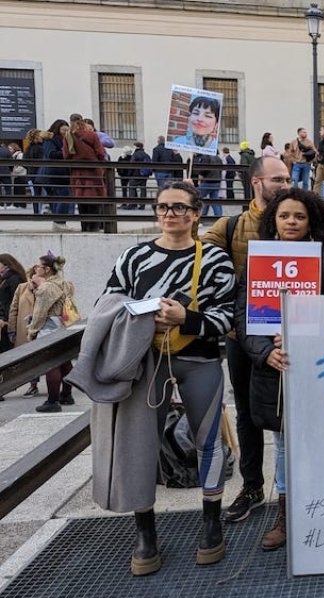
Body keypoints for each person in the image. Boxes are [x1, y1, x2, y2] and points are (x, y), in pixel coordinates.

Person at [95, 181, 235, 575]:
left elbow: (228, 316)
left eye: (179, 207)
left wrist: (185, 318)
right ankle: (145, 533)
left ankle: (210, 523)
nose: (170, 213)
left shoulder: (215, 260)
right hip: (146, 363)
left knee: (209, 442)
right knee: (141, 446)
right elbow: (108, 303)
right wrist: (141, 313)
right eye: (162, 206)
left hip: (200, 359)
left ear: (195, 213)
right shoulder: (134, 257)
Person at [238, 188, 324, 551]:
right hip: (275, 369)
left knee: (323, 443)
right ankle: (287, 518)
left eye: (299, 217)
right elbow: (244, 319)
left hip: (316, 367)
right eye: (285, 215)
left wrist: (305, 339)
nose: (291, 222)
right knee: (285, 445)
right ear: (273, 219)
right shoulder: (258, 262)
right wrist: (263, 353)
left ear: (311, 221)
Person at [202, 156, 292, 524]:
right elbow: (196, 257)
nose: (286, 184)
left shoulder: (297, 215)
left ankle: (296, 491)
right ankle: (253, 486)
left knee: (292, 414)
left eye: (288, 178)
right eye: (278, 179)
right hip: (244, 337)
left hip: (291, 336)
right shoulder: (231, 225)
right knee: (249, 413)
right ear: (257, 182)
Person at [27, 253, 76, 412]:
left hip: (50, 326)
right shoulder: (65, 283)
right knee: (65, 361)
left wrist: (32, 330)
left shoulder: (46, 287)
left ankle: (52, 401)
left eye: (37, 266)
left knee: (51, 363)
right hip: (65, 324)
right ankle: (67, 395)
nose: (35, 269)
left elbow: (40, 313)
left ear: (47, 269)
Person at [63, 116, 107, 232]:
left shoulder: (68, 136)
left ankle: (84, 227)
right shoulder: (92, 135)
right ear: (82, 122)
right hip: (93, 172)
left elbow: (66, 156)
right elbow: (101, 153)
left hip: (78, 173)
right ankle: (94, 228)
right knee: (94, 200)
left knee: (81, 201)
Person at [5, 259, 39, 397]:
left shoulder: (48, 288)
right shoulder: (22, 288)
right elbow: (13, 309)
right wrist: (11, 329)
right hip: (23, 328)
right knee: (28, 358)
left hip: (41, 327)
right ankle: (33, 384)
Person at [0, 253, 26, 355]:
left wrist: (7, 318)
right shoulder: (5, 279)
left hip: (8, 319)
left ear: (6, 265)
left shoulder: (14, 279)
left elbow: (15, 301)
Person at [195, 152, 224, 218]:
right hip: (216, 181)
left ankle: (199, 217)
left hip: (207, 181)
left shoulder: (206, 157)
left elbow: (204, 169)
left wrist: (201, 174)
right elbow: (221, 169)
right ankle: (218, 217)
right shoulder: (218, 158)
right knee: (214, 201)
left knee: (197, 198)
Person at [130, 141, 152, 209]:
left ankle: (133, 204)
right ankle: (142, 205)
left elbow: (131, 164)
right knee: (143, 189)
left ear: (136, 147)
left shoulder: (135, 154)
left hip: (136, 174)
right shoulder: (146, 154)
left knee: (132, 187)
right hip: (145, 175)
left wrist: (130, 174)